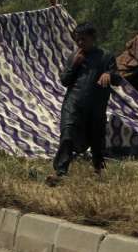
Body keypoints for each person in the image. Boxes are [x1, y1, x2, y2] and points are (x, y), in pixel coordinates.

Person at [46, 23, 121, 186]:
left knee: (96, 140)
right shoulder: (74, 56)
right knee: (67, 134)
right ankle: (60, 173)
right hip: (73, 104)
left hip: (95, 107)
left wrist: (109, 74)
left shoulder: (105, 57)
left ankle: (98, 172)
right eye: (77, 39)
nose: (80, 43)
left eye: (83, 39)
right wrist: (74, 64)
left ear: (93, 38)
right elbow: (65, 81)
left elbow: (118, 78)